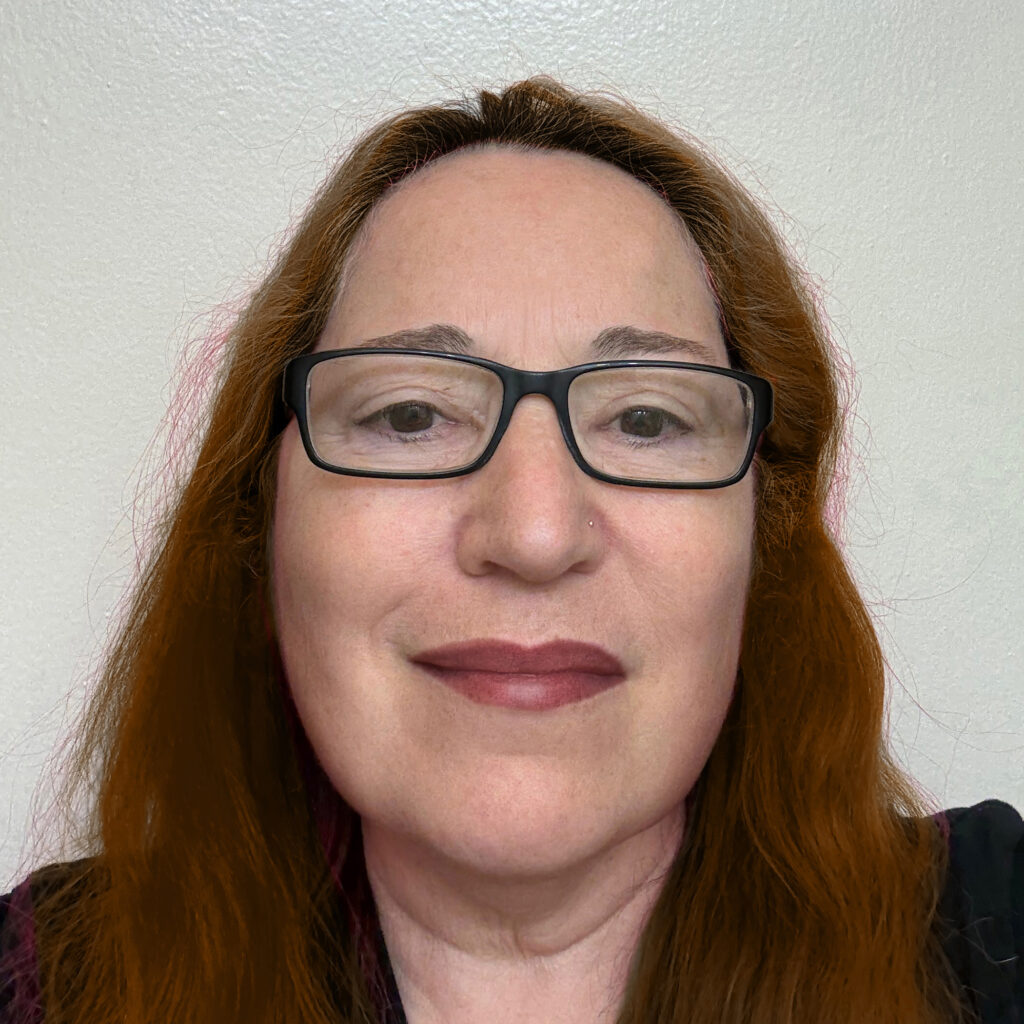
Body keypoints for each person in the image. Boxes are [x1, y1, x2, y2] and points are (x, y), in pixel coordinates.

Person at [0, 76, 1020, 1024]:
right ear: (260, 528)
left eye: (648, 421)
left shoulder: (995, 936)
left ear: (768, 538)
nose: (534, 534)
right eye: (407, 414)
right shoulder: (46, 983)